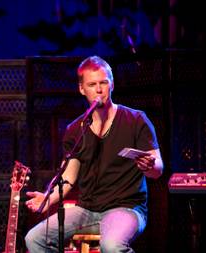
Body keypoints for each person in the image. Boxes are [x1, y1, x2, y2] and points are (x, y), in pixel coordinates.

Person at [24, 56, 164, 253]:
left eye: (103, 83)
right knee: (34, 239)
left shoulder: (136, 120)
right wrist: (48, 199)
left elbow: (158, 169)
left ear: (112, 84)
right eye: (92, 84)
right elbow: (68, 177)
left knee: (112, 246)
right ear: (82, 89)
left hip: (126, 208)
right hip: (87, 209)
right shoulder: (76, 129)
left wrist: (150, 166)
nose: (98, 90)